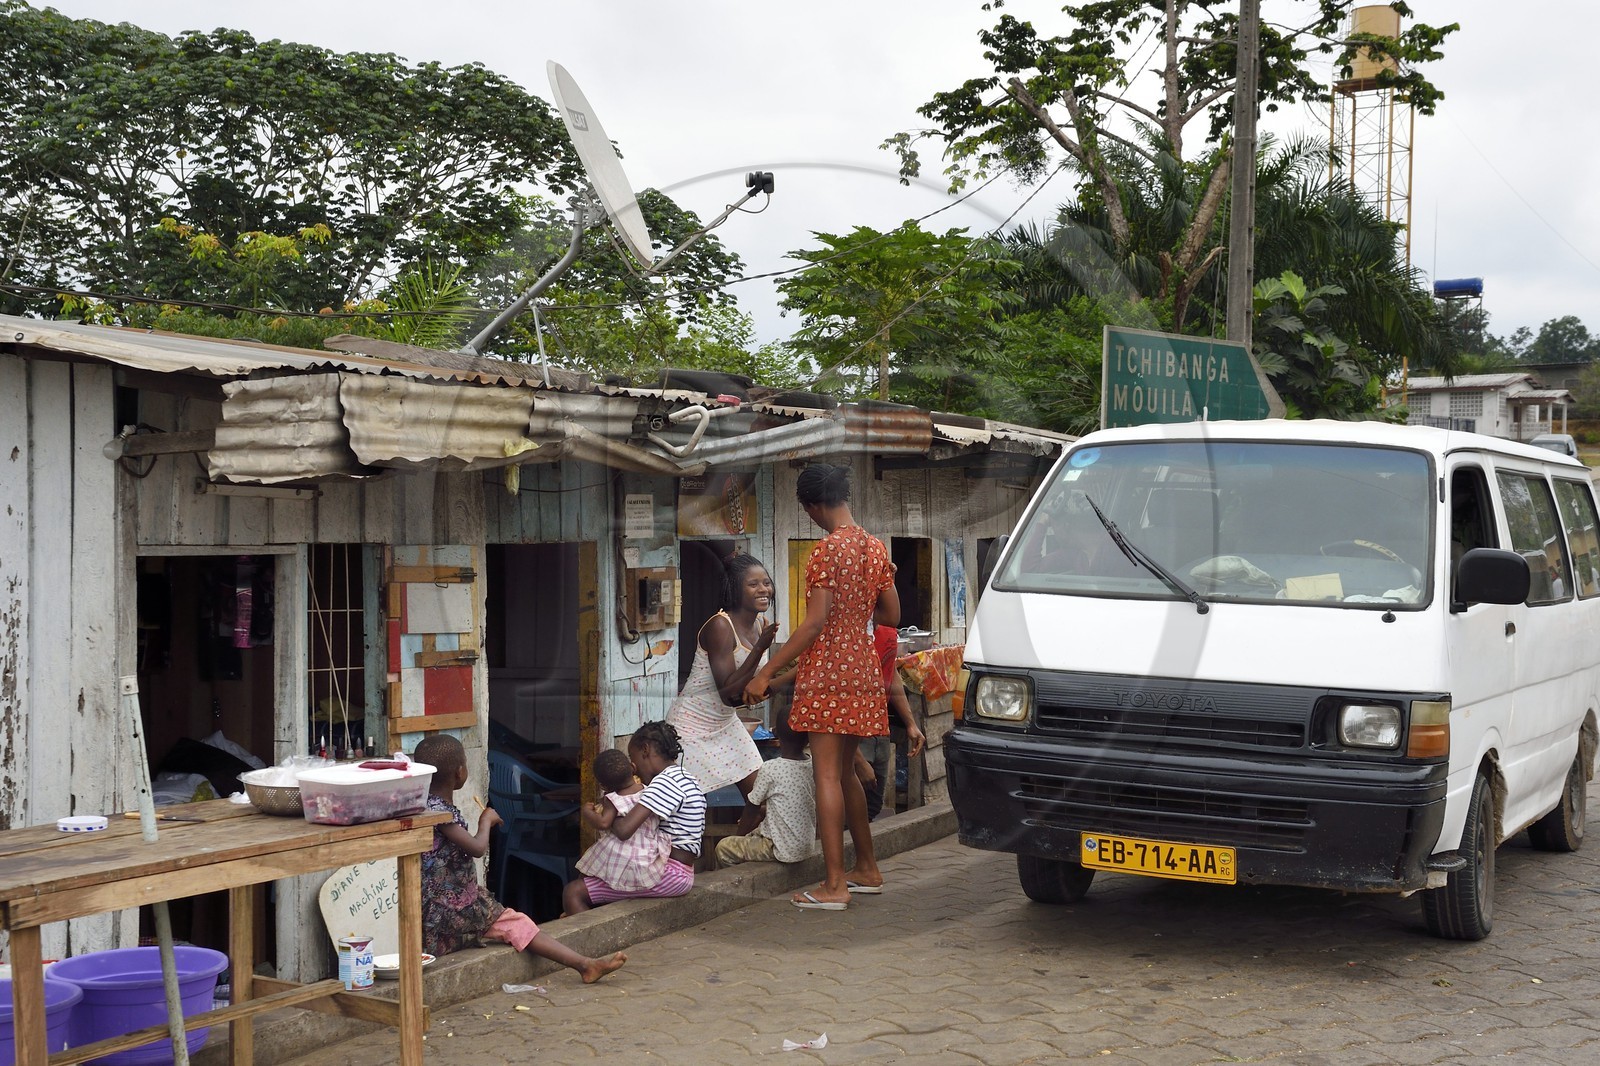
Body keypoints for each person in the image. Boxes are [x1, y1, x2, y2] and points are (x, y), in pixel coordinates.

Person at [745, 463, 899, 910]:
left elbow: (813, 626)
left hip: (829, 673)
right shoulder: (873, 547)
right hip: (863, 669)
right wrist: (855, 616)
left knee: (827, 774)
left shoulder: (826, 552)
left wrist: (763, 672)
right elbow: (890, 613)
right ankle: (866, 868)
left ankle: (834, 886)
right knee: (847, 771)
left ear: (812, 506)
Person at [412, 734, 625, 983]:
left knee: (444, 947)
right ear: (460, 772)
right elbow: (477, 848)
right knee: (517, 923)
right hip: (457, 905)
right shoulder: (440, 812)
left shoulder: (424, 805)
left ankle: (585, 964)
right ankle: (584, 965)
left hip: (438, 904)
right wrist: (486, 822)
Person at [666, 552, 778, 817]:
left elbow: (756, 685)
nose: (763, 589)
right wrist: (760, 647)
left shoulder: (760, 624)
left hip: (725, 725)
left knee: (760, 800)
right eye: (753, 584)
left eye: (766, 583)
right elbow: (729, 692)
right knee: (684, 812)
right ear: (734, 590)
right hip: (690, 728)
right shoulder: (720, 626)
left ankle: (739, 853)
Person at [562, 721, 706, 914]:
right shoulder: (685, 777)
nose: (634, 768)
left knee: (573, 892)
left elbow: (623, 830)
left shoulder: (664, 782)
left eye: (633, 757)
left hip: (668, 874)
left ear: (645, 750)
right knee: (599, 877)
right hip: (679, 872)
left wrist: (606, 810)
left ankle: (593, 943)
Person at [714, 705, 816, 867]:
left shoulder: (771, 768)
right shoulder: (812, 765)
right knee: (757, 831)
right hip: (806, 846)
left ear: (775, 733)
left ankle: (739, 883)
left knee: (724, 847)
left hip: (780, 848)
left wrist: (739, 836)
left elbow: (751, 808)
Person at [573, 747, 671, 893]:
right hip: (648, 855)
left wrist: (586, 813)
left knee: (585, 875)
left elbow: (603, 822)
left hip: (621, 853)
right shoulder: (648, 791)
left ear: (603, 786)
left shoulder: (613, 799)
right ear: (633, 767)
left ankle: (575, 908)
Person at [855, 626, 927, 821]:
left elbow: (890, 671)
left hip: (880, 728)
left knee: (872, 806)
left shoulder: (887, 632)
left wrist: (910, 723)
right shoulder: (849, 632)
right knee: (852, 805)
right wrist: (858, 759)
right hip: (854, 734)